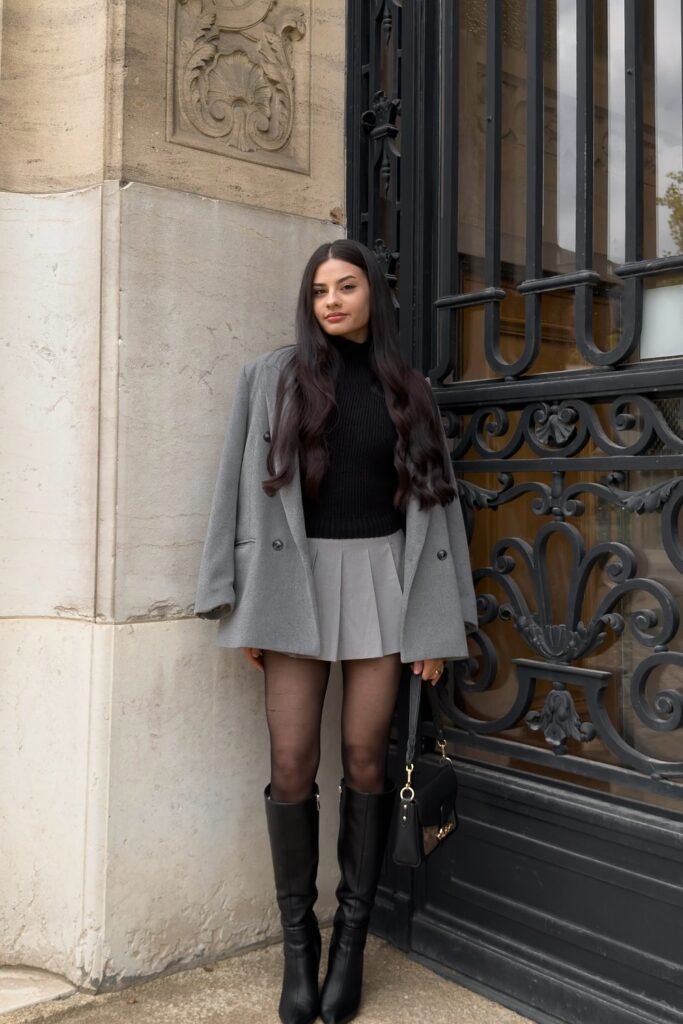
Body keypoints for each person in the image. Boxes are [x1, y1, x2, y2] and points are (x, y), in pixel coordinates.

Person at [195, 239, 476, 1024]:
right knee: (291, 763)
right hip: (292, 585)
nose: (329, 301)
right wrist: (232, 597)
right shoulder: (272, 377)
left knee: (362, 756)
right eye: (318, 289)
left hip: (383, 583)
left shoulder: (407, 388)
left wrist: (436, 626)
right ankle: (300, 949)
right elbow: (233, 487)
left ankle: (350, 943)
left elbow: (437, 509)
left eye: (345, 286)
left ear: (372, 296)